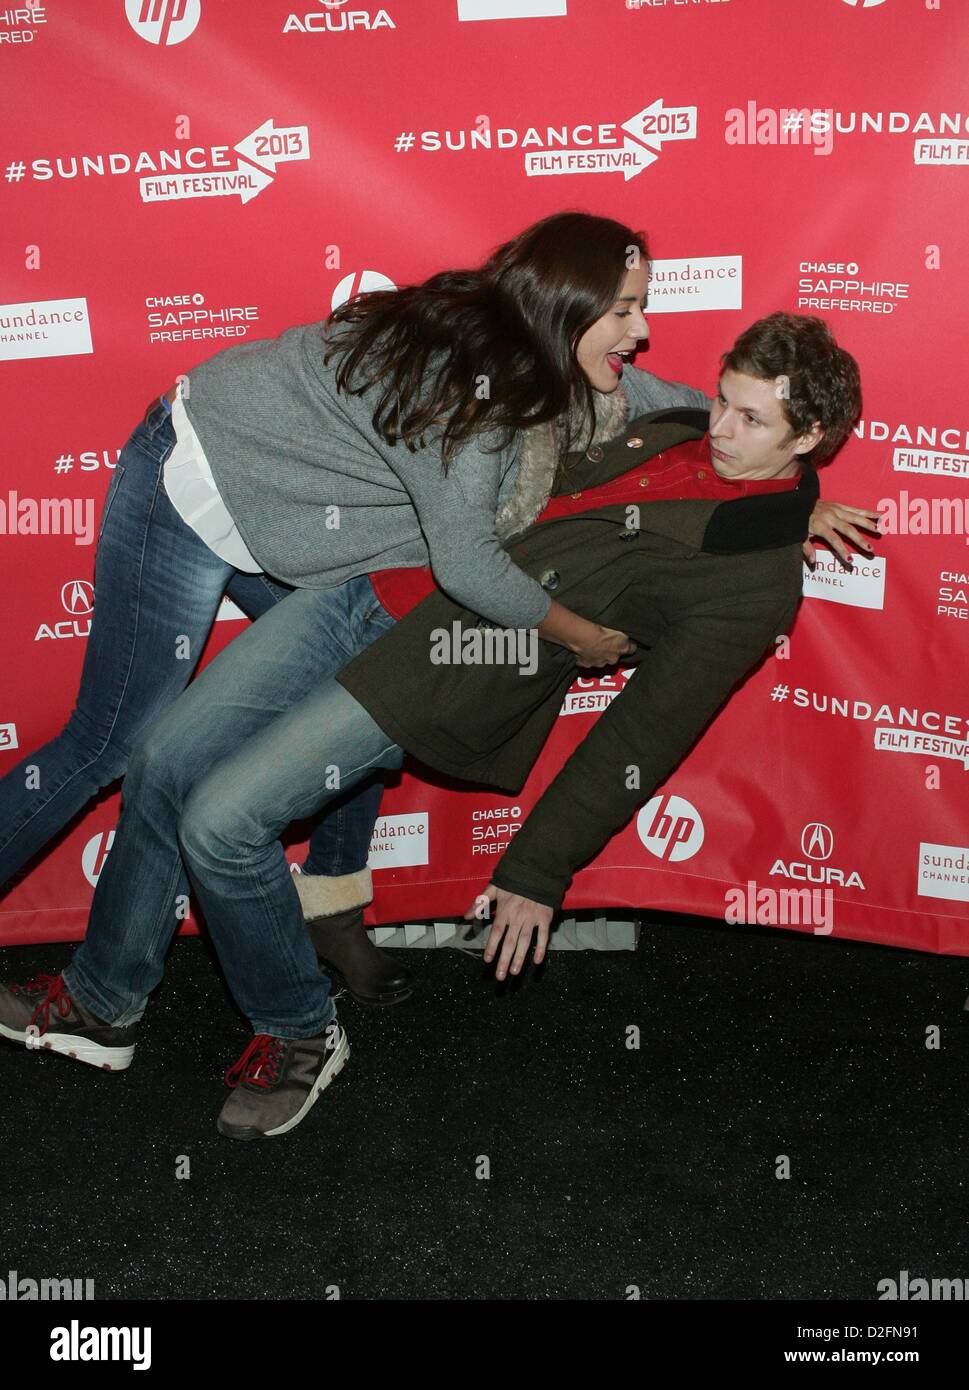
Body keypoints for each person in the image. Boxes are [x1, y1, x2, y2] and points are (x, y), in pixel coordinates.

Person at [0, 311, 873, 1142]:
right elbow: (605, 392)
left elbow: (643, 737)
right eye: (724, 397)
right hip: (368, 584)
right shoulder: (680, 421)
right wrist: (796, 500)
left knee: (223, 823)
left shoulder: (755, 584)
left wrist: (537, 869)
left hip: (442, 671)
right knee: (158, 757)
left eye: (751, 419)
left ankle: (301, 1030)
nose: (721, 425)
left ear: (806, 440)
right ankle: (103, 1002)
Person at [0, 209, 706, 1006]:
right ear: (568, 304)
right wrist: (579, 636)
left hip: (293, 515)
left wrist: (759, 458)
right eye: (623, 311)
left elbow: (648, 400)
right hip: (200, 481)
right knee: (117, 746)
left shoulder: (529, 339)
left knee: (372, 683)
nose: (640, 329)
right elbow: (468, 562)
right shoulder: (466, 386)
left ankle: (326, 903)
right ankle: (107, 992)